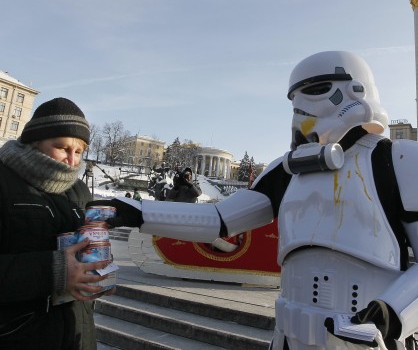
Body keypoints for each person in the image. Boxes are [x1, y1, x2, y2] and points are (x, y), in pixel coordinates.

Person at [91, 51, 418, 349]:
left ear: (357, 91)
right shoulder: (287, 171)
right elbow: (219, 220)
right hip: (289, 336)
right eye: (295, 98)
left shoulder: (399, 161)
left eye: (316, 90)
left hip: (365, 340)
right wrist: (137, 210)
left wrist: (393, 313)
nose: (301, 109)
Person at [0, 97, 112, 350]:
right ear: (34, 142)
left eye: (79, 151)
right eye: (62, 147)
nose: (72, 160)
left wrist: (94, 266)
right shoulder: (4, 181)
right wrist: (54, 270)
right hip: (18, 335)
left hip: (76, 332)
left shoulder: (79, 190)